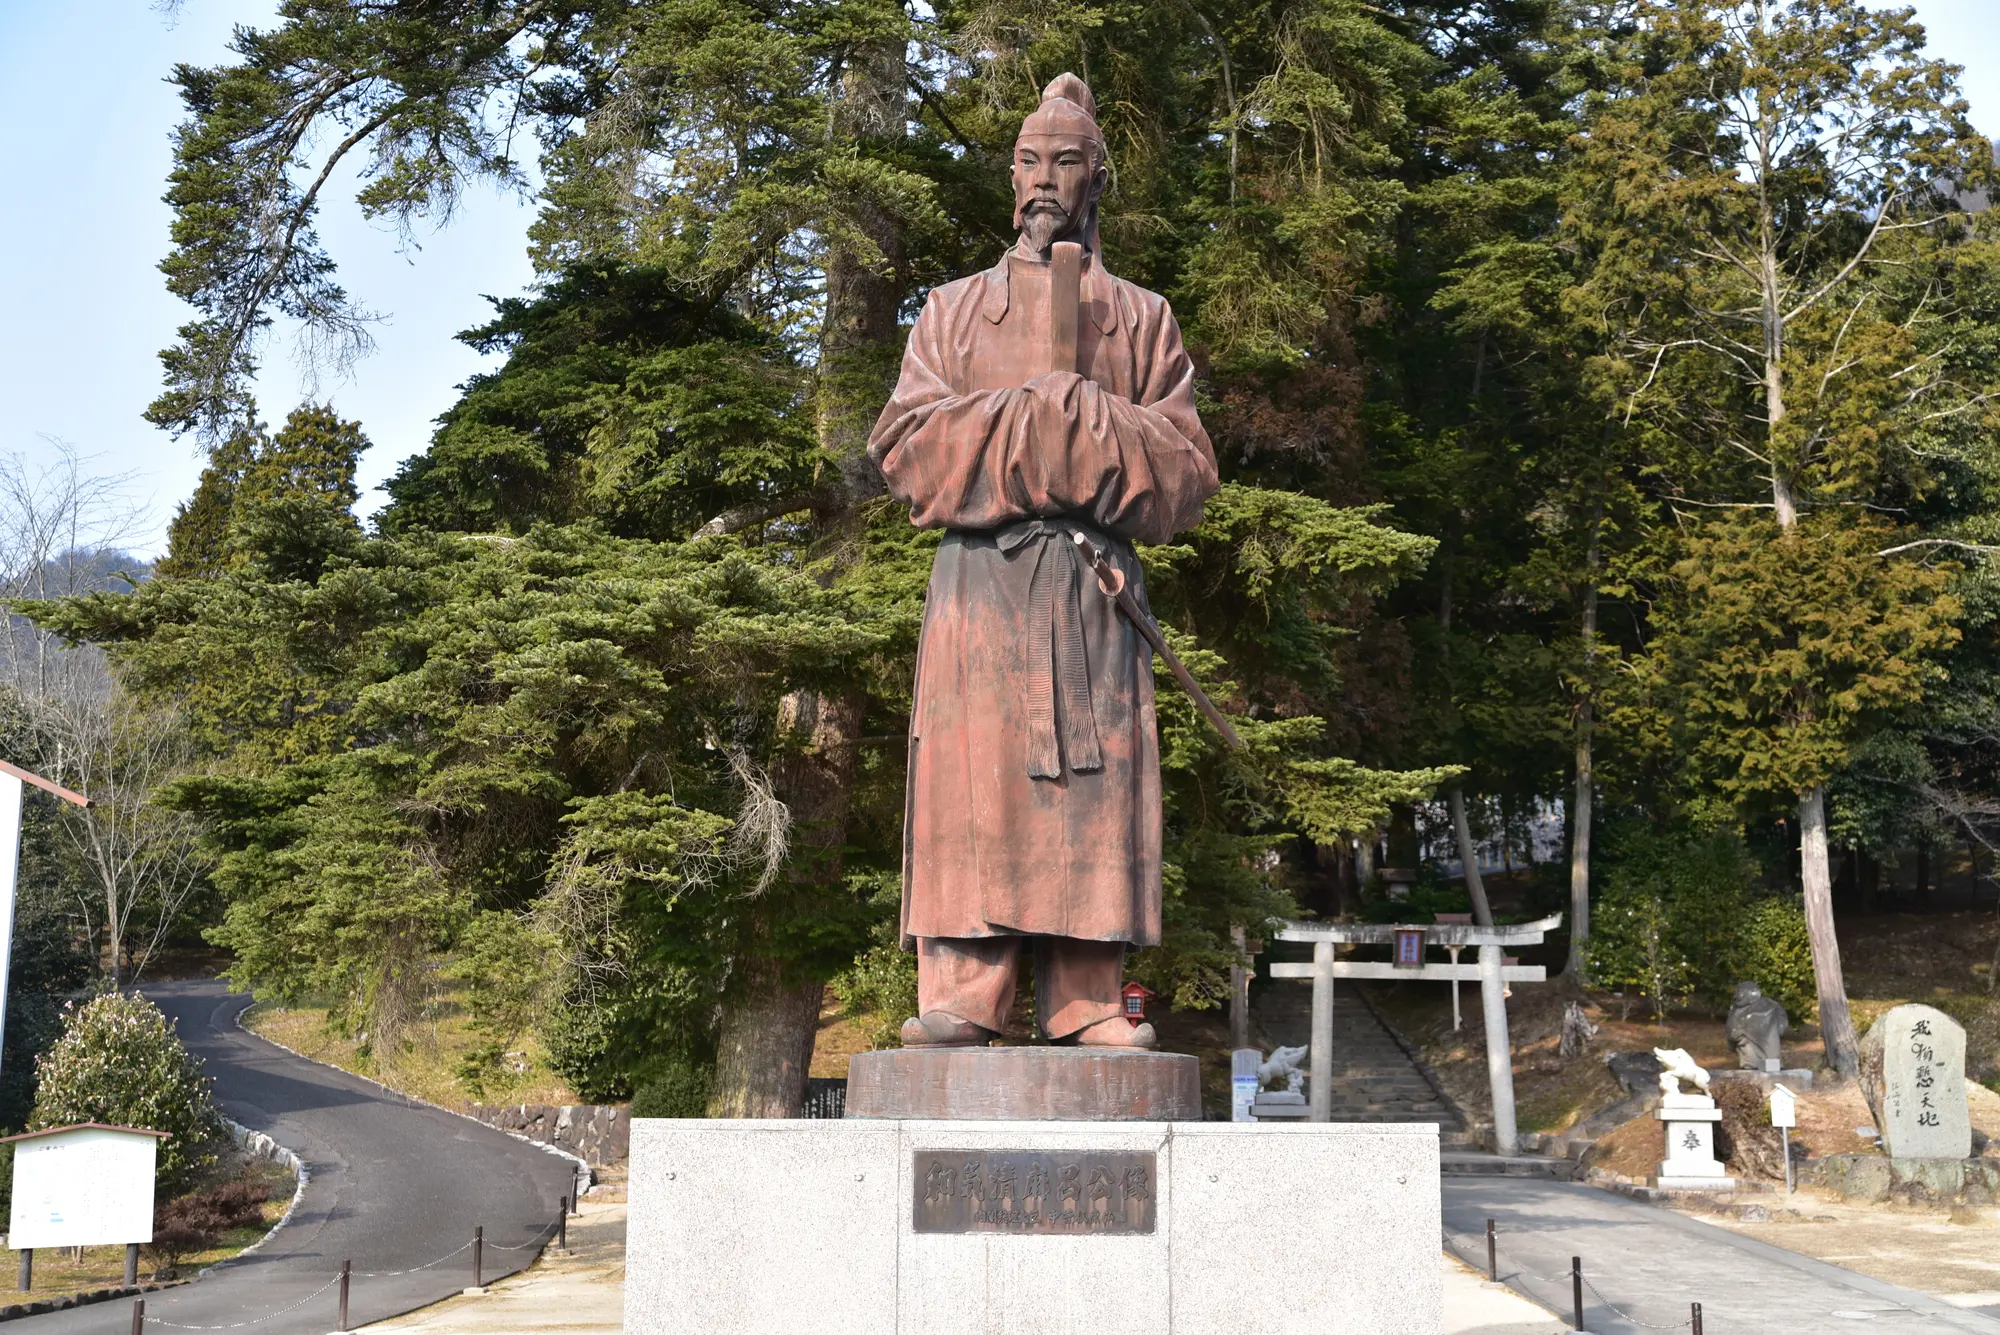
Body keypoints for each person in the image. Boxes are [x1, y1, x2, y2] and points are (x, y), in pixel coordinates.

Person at [866, 73, 1219, 1049]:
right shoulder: (954, 311)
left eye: (1064, 161)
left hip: (1088, 591)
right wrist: (1028, 418)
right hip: (980, 587)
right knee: (971, 788)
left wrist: (1094, 422)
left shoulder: (1139, 320)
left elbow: (1187, 471)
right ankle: (962, 998)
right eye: (1027, 160)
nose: (1041, 179)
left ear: (1095, 176)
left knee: (1089, 790)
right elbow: (902, 448)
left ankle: (1085, 1001)